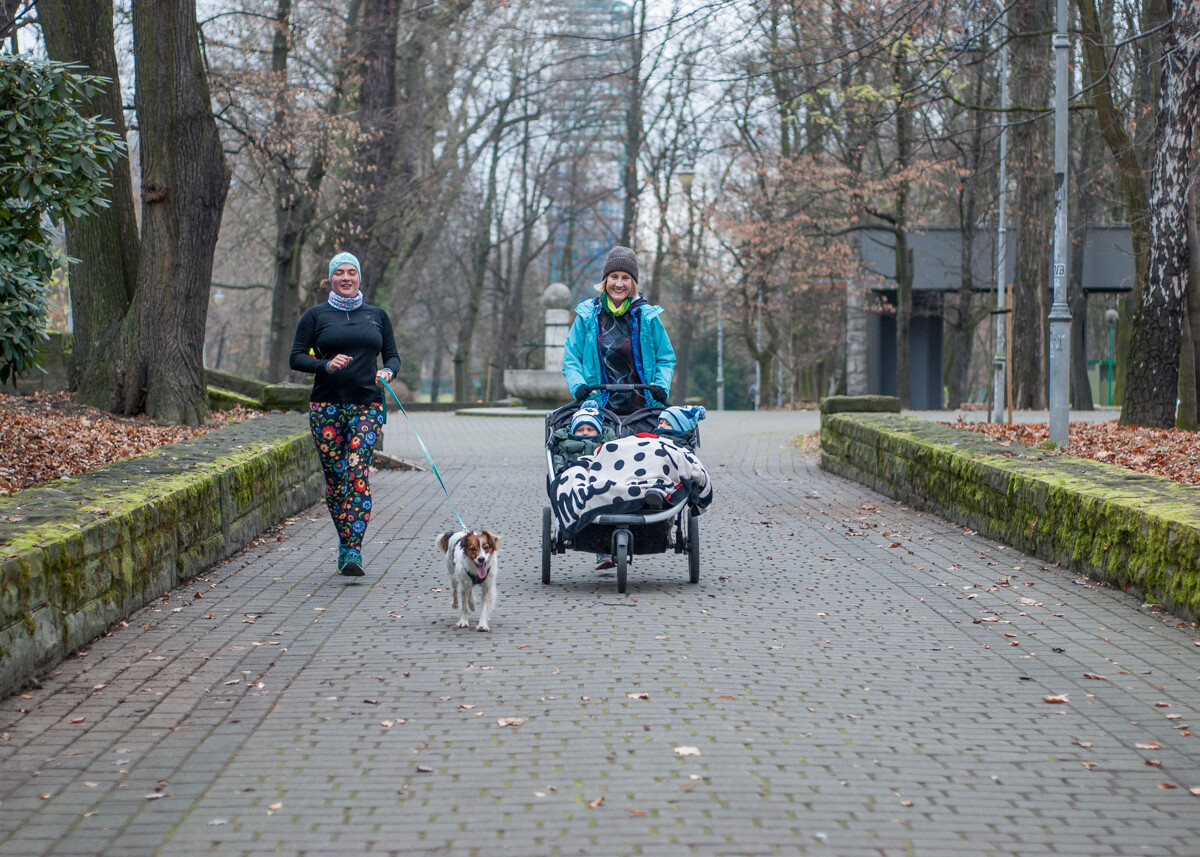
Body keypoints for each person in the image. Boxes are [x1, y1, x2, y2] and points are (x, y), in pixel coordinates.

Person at [290, 251, 401, 577]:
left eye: (352, 272)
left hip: (367, 404)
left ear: (359, 277)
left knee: (356, 474)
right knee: (337, 481)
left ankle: (354, 549)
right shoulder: (315, 316)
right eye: (340, 273)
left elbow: (393, 357)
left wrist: (388, 373)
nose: (346, 278)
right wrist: (325, 364)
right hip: (326, 408)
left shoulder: (376, 316)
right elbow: (296, 357)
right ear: (331, 279)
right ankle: (344, 541)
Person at [562, 246, 676, 417]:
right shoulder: (587, 316)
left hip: (643, 410)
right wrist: (578, 385)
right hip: (598, 409)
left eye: (626, 278)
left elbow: (665, 358)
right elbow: (572, 357)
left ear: (633, 283)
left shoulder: (647, 317)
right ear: (605, 280)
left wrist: (661, 386)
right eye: (614, 276)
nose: (619, 283)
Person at [551, 404, 616, 473]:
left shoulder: (605, 443)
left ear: (598, 432)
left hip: (599, 472)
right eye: (580, 430)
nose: (585, 433)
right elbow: (558, 458)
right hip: (572, 472)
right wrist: (560, 469)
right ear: (573, 432)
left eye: (590, 430)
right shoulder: (566, 443)